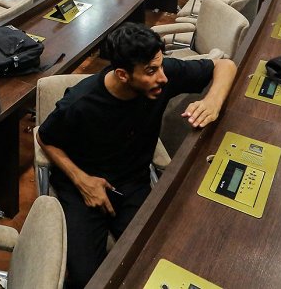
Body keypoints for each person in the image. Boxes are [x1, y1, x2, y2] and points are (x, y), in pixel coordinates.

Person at [38, 24, 236, 289]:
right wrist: (82, 181)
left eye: (161, 66)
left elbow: (225, 66)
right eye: (151, 72)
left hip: (132, 182)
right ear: (122, 74)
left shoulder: (162, 77)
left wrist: (213, 101)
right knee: (86, 276)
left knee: (157, 256)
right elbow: (45, 138)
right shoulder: (80, 103)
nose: (163, 78)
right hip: (83, 185)